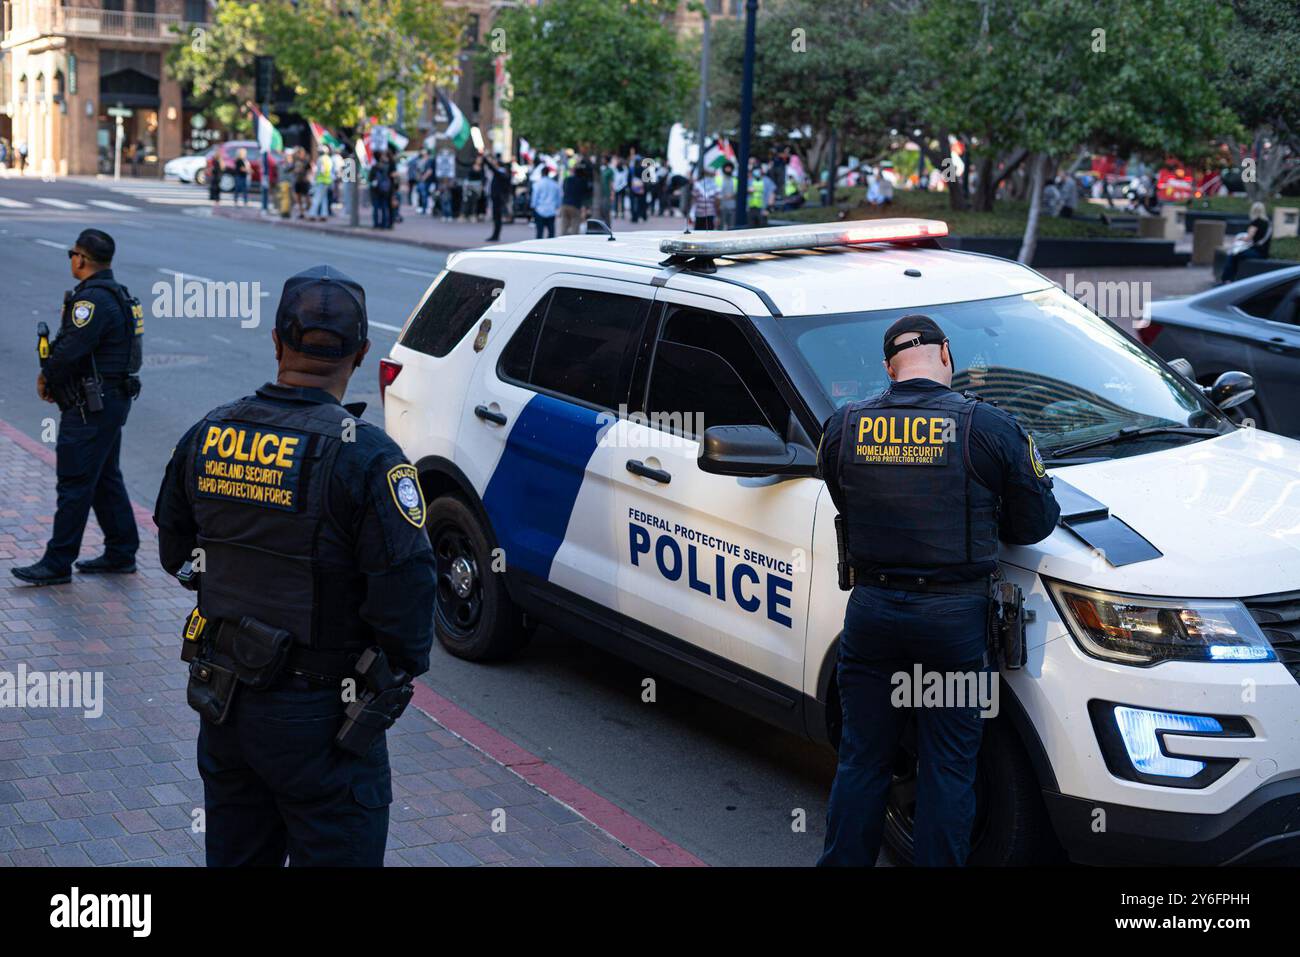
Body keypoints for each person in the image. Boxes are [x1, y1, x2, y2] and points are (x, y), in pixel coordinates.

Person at [153, 265, 436, 866]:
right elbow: (408, 604)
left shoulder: (209, 433)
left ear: (277, 341)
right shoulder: (370, 457)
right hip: (325, 717)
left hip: (225, 700)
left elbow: (177, 554)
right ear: (360, 353)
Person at [817, 315, 1060, 867]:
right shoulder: (988, 426)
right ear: (946, 354)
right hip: (953, 621)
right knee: (949, 766)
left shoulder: (845, 424)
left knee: (862, 761)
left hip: (872, 612)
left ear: (889, 367)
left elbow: (845, 500)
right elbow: (1035, 521)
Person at [13, 229, 143, 586]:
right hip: (109, 402)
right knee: (103, 477)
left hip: (90, 406)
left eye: (72, 254)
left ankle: (57, 562)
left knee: (74, 482)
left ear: (81, 259)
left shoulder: (92, 302)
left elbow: (69, 350)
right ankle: (121, 551)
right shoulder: (119, 295)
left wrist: (47, 379)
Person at [1221, 201, 1273, 283]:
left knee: (1233, 255)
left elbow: (1248, 238)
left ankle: (1226, 279)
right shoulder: (1267, 223)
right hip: (1264, 252)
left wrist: (1239, 238)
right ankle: (1229, 279)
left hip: (1257, 252)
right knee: (1237, 255)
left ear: (1253, 211)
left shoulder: (1255, 223)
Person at [483, 151, 513, 242]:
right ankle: (495, 235)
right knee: (497, 218)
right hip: (498, 198)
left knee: (497, 218)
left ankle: (495, 235)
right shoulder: (503, 174)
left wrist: (485, 159)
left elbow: (492, 168)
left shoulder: (501, 174)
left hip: (498, 198)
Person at [531, 166, 561, 239]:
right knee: (551, 233)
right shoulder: (555, 184)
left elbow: (535, 198)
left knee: (539, 233)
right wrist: (556, 207)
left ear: (541, 173)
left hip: (540, 210)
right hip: (551, 211)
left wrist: (533, 207)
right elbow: (559, 198)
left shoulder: (537, 184)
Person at [559, 164, 589, 236]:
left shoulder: (567, 179)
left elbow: (564, 189)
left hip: (564, 204)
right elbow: (585, 193)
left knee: (564, 226)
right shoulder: (582, 181)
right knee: (575, 227)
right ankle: (573, 243)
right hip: (575, 205)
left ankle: (562, 241)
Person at [308, 146, 333, 222]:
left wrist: (315, 179)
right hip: (327, 181)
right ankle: (324, 215)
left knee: (317, 199)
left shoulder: (321, 159)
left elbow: (321, 171)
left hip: (321, 181)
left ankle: (312, 214)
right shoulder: (329, 159)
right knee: (324, 199)